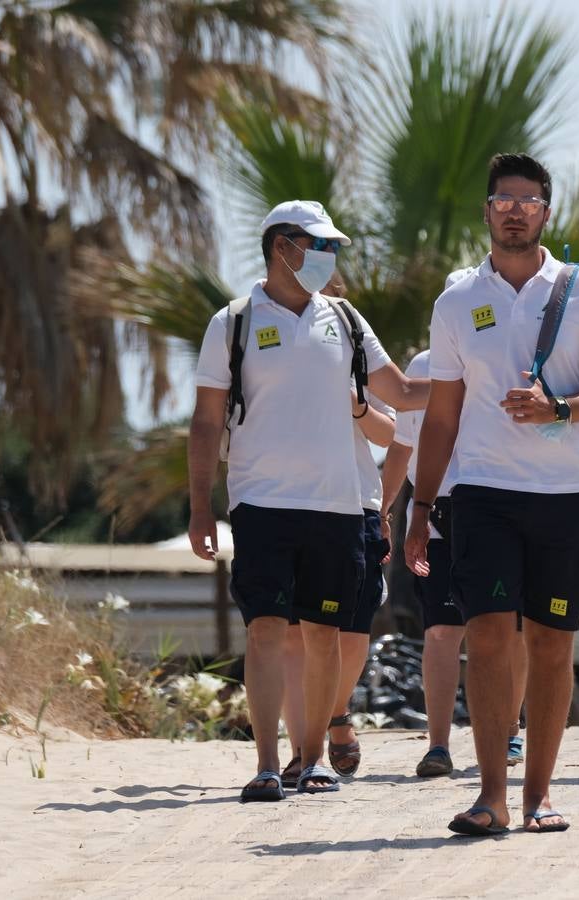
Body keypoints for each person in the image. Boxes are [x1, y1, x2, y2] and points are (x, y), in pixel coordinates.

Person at [406, 153, 579, 835]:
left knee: (554, 643)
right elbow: (440, 416)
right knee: (490, 635)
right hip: (481, 494)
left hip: (564, 495)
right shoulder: (456, 302)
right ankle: (491, 797)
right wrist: (419, 507)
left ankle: (540, 797)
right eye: (503, 198)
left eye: (528, 201)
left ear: (546, 214)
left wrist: (557, 410)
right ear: (488, 211)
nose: (514, 209)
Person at [188, 200, 428, 801]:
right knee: (266, 629)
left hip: (339, 507)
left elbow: (397, 390)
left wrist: (468, 380)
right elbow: (204, 421)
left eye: (332, 248)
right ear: (281, 246)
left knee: (324, 634)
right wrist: (199, 506)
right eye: (317, 245)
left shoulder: (346, 320)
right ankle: (268, 765)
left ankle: (312, 759)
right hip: (261, 503)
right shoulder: (233, 322)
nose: (329, 257)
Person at [379, 271, 529, 779]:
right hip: (441, 511)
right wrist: (386, 510)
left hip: (499, 506)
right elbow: (403, 446)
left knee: (508, 629)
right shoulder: (423, 367)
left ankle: (509, 731)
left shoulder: (509, 359)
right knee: (442, 633)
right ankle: (438, 745)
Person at [278, 275, 397, 787]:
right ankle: (301, 748)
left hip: (356, 502)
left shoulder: (360, 351)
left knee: (351, 635)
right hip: (287, 503)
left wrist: (357, 404)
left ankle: (337, 714)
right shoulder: (271, 352)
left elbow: (391, 434)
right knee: (290, 637)